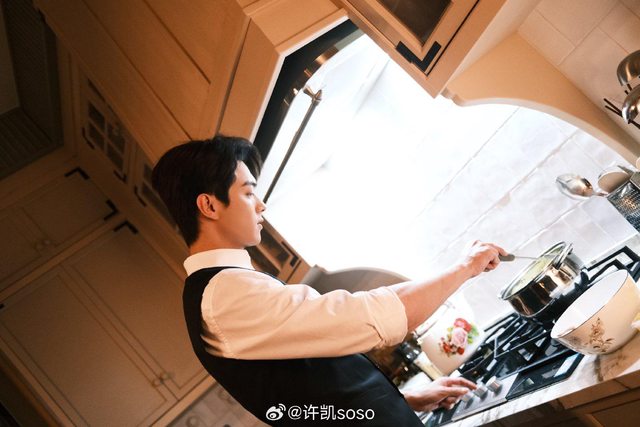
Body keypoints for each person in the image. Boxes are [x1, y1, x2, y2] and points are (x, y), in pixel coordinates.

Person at [152, 135, 506, 425]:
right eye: (248, 192)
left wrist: (403, 398)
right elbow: (376, 316)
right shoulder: (223, 294)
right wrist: (466, 266)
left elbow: (304, 403)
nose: (260, 205)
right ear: (209, 206)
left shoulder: (224, 288)